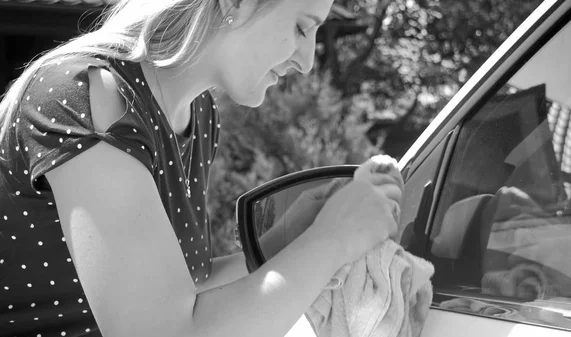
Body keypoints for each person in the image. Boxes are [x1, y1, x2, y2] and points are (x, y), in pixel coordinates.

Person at [0, 0, 404, 336]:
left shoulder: (197, 114)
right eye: (301, 28)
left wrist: (292, 237)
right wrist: (334, 239)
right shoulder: (90, 96)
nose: (308, 61)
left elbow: (181, 293)